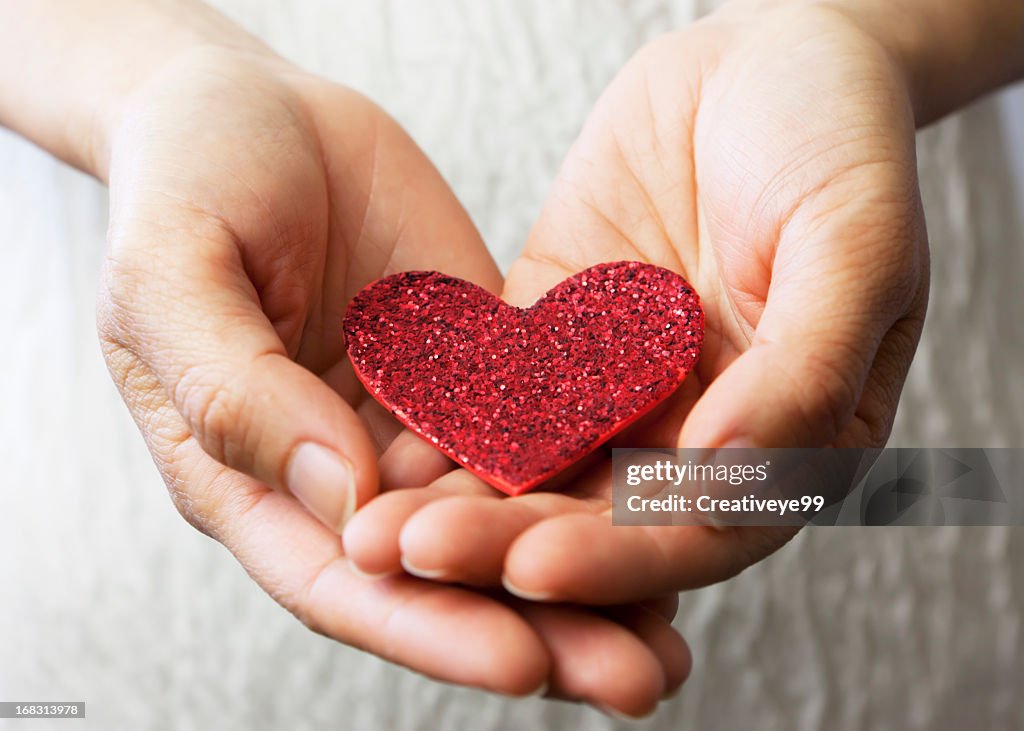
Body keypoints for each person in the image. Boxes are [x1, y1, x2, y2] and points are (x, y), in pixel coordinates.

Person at [2, 0, 1021, 718]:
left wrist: (858, 30)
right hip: (172, 555)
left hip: (810, 358)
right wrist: (157, 82)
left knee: (822, 474)